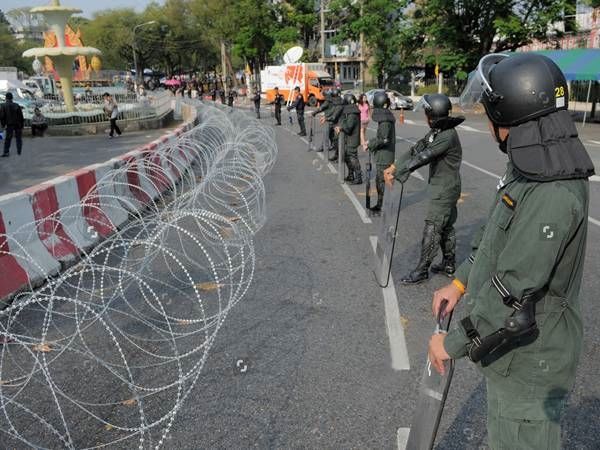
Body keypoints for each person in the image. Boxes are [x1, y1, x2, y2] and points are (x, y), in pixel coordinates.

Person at [427, 53, 595, 450]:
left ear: (510, 115)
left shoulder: (551, 189)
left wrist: (450, 344)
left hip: (532, 361)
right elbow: (495, 236)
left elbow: (515, 287)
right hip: (516, 356)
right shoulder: (533, 164)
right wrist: (460, 281)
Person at [383, 94, 464, 284]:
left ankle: (422, 270)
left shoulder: (447, 135)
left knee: (433, 227)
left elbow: (424, 156)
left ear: (433, 115)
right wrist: (395, 166)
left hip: (445, 188)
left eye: (427, 113)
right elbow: (417, 148)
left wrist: (399, 173)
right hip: (444, 186)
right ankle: (449, 264)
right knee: (446, 226)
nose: (425, 117)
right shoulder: (438, 131)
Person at [363, 91, 395, 215]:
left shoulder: (385, 121)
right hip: (384, 154)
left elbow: (384, 139)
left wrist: (370, 144)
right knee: (380, 181)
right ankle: (382, 204)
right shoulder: (385, 118)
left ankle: (382, 206)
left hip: (385, 156)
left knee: (381, 181)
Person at [335, 93, 362, 184]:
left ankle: (358, 177)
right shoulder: (352, 112)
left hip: (352, 139)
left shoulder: (352, 114)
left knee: (352, 157)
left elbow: (349, 127)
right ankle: (351, 175)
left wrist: (341, 128)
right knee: (347, 157)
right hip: (350, 138)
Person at [0, 92, 24, 157]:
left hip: (9, 124)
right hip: (18, 124)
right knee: (18, 138)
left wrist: (3, 125)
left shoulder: (3, 105)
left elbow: (2, 116)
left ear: (6, 98)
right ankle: (19, 151)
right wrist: (22, 125)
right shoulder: (17, 105)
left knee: (8, 139)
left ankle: (6, 152)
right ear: (12, 98)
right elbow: (21, 116)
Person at [327, 88, 345, 162]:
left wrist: (326, 119)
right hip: (337, 124)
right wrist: (326, 117)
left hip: (341, 124)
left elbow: (334, 115)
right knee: (336, 141)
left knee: (340, 142)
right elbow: (332, 111)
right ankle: (337, 155)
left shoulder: (340, 104)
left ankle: (341, 157)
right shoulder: (337, 103)